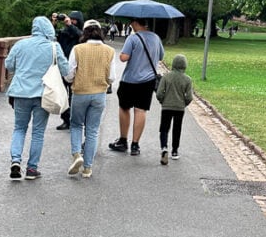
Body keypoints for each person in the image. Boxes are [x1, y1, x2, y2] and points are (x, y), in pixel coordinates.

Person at [4, 16, 70, 181]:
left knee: (19, 128)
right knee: (38, 132)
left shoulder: (20, 45)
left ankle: (15, 161)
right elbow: (65, 69)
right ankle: (32, 169)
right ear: (49, 29)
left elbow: (9, 66)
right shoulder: (54, 47)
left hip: (20, 93)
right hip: (43, 94)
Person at [66, 20, 116, 179]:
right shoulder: (109, 51)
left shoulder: (78, 49)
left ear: (84, 32)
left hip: (80, 92)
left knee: (75, 125)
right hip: (99, 94)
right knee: (93, 130)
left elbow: (68, 75)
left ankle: (76, 154)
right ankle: (87, 168)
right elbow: (112, 77)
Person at [109, 17, 164, 157]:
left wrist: (126, 53)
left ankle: (123, 140)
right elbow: (161, 56)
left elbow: (123, 57)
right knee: (141, 110)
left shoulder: (132, 38)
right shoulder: (156, 38)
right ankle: (135, 144)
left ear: (135, 23)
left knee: (124, 107)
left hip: (130, 79)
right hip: (148, 80)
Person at [155, 54, 193, 166]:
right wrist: (184, 103)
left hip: (167, 106)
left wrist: (162, 101)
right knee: (177, 128)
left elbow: (159, 93)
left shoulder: (166, 77)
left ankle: (164, 147)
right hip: (179, 108)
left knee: (164, 128)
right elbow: (189, 97)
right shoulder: (187, 79)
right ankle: (175, 151)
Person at [55, 11, 84, 129]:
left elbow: (81, 36)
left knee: (73, 96)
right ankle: (66, 119)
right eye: (69, 19)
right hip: (63, 65)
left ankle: (74, 120)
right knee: (63, 95)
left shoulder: (80, 32)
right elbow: (53, 37)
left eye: (74, 20)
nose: (71, 21)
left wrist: (70, 25)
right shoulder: (65, 32)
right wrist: (54, 23)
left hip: (76, 66)